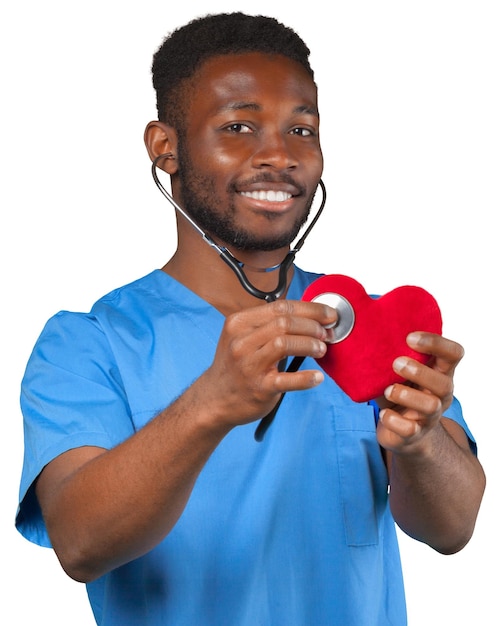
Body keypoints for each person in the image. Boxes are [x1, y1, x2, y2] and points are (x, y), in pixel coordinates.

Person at [16, 12, 485, 626]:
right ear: (165, 147)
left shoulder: (362, 324)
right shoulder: (87, 344)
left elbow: (453, 530)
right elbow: (80, 544)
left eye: (302, 128)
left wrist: (422, 443)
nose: (279, 155)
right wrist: (212, 403)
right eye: (238, 126)